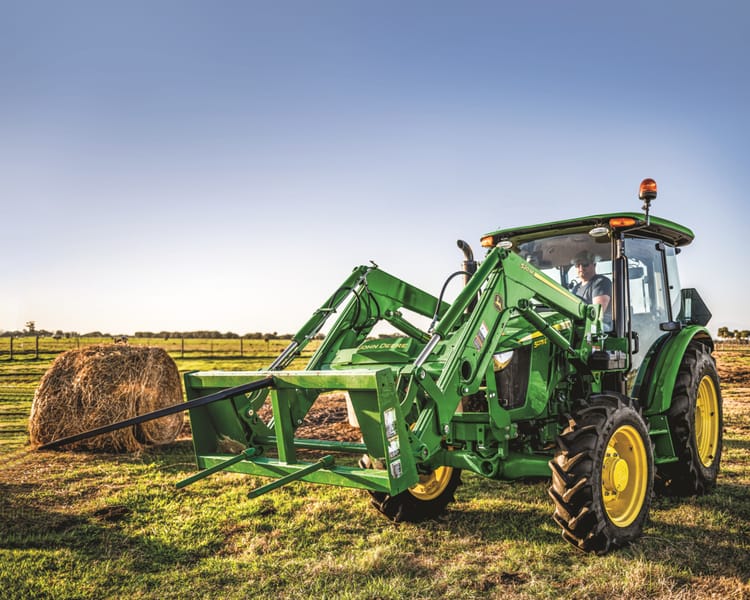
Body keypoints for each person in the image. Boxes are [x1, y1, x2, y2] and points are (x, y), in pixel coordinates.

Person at [571, 250, 612, 327]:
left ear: (594, 264)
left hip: (603, 327)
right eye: (577, 265)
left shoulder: (601, 282)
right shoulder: (575, 289)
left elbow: (597, 314)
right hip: (581, 325)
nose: (581, 268)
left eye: (585, 264)